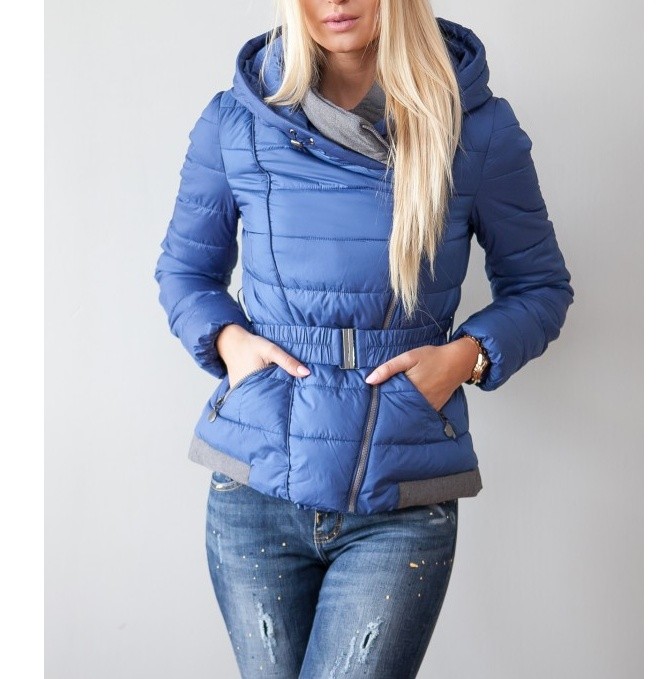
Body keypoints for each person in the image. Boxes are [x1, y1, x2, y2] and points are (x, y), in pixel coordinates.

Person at [154, 1, 574, 676]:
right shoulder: (236, 121)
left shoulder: (476, 127)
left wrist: (461, 359)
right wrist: (231, 342)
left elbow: (540, 287)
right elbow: (184, 272)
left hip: (398, 493)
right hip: (256, 487)